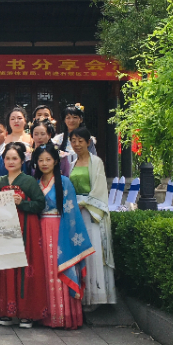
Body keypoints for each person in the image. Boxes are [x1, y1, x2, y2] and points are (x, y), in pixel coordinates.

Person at [33, 143, 94, 329]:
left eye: (48, 159)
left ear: (56, 161)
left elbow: (72, 213)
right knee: (43, 270)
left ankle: (64, 316)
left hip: (61, 229)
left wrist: (69, 237)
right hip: (40, 230)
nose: (44, 163)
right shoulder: (35, 183)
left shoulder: (65, 182)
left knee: (59, 267)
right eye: (41, 160)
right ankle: (44, 315)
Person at [0, 143, 47, 328]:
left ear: (22, 160)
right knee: (6, 268)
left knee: (26, 268)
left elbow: (40, 204)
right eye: (7, 158)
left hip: (26, 228)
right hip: (6, 229)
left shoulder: (29, 181)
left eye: (15, 158)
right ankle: (6, 312)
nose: (11, 162)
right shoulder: (0, 181)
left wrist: (23, 202)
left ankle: (27, 313)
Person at [69, 127, 116, 307]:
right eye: (73, 141)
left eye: (80, 141)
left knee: (93, 251)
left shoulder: (96, 162)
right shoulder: (72, 163)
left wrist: (83, 203)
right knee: (79, 252)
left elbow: (99, 188)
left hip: (91, 212)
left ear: (88, 142)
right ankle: (82, 295)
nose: (77, 144)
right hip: (75, 211)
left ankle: (96, 296)